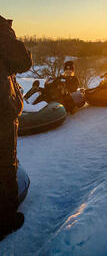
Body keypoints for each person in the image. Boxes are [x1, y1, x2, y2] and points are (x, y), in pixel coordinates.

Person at [0, 15, 32, 240]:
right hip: (1, 108)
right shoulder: (1, 30)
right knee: (5, 164)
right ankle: (6, 221)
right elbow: (23, 61)